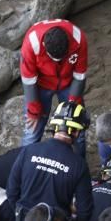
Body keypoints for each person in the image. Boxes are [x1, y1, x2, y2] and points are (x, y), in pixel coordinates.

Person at [6, 100, 94, 221]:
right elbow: (85, 211)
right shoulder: (79, 165)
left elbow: (11, 191)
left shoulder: (30, 150)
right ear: (77, 132)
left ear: (54, 126)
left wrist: (21, 214)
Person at [20, 19, 89, 154]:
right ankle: (25, 164)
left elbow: (80, 75)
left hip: (69, 82)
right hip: (41, 85)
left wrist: (73, 105)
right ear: (44, 45)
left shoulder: (78, 39)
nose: (56, 62)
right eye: (53, 58)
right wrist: (33, 111)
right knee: (32, 131)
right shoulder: (31, 43)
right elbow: (28, 80)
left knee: (77, 129)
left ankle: (79, 168)